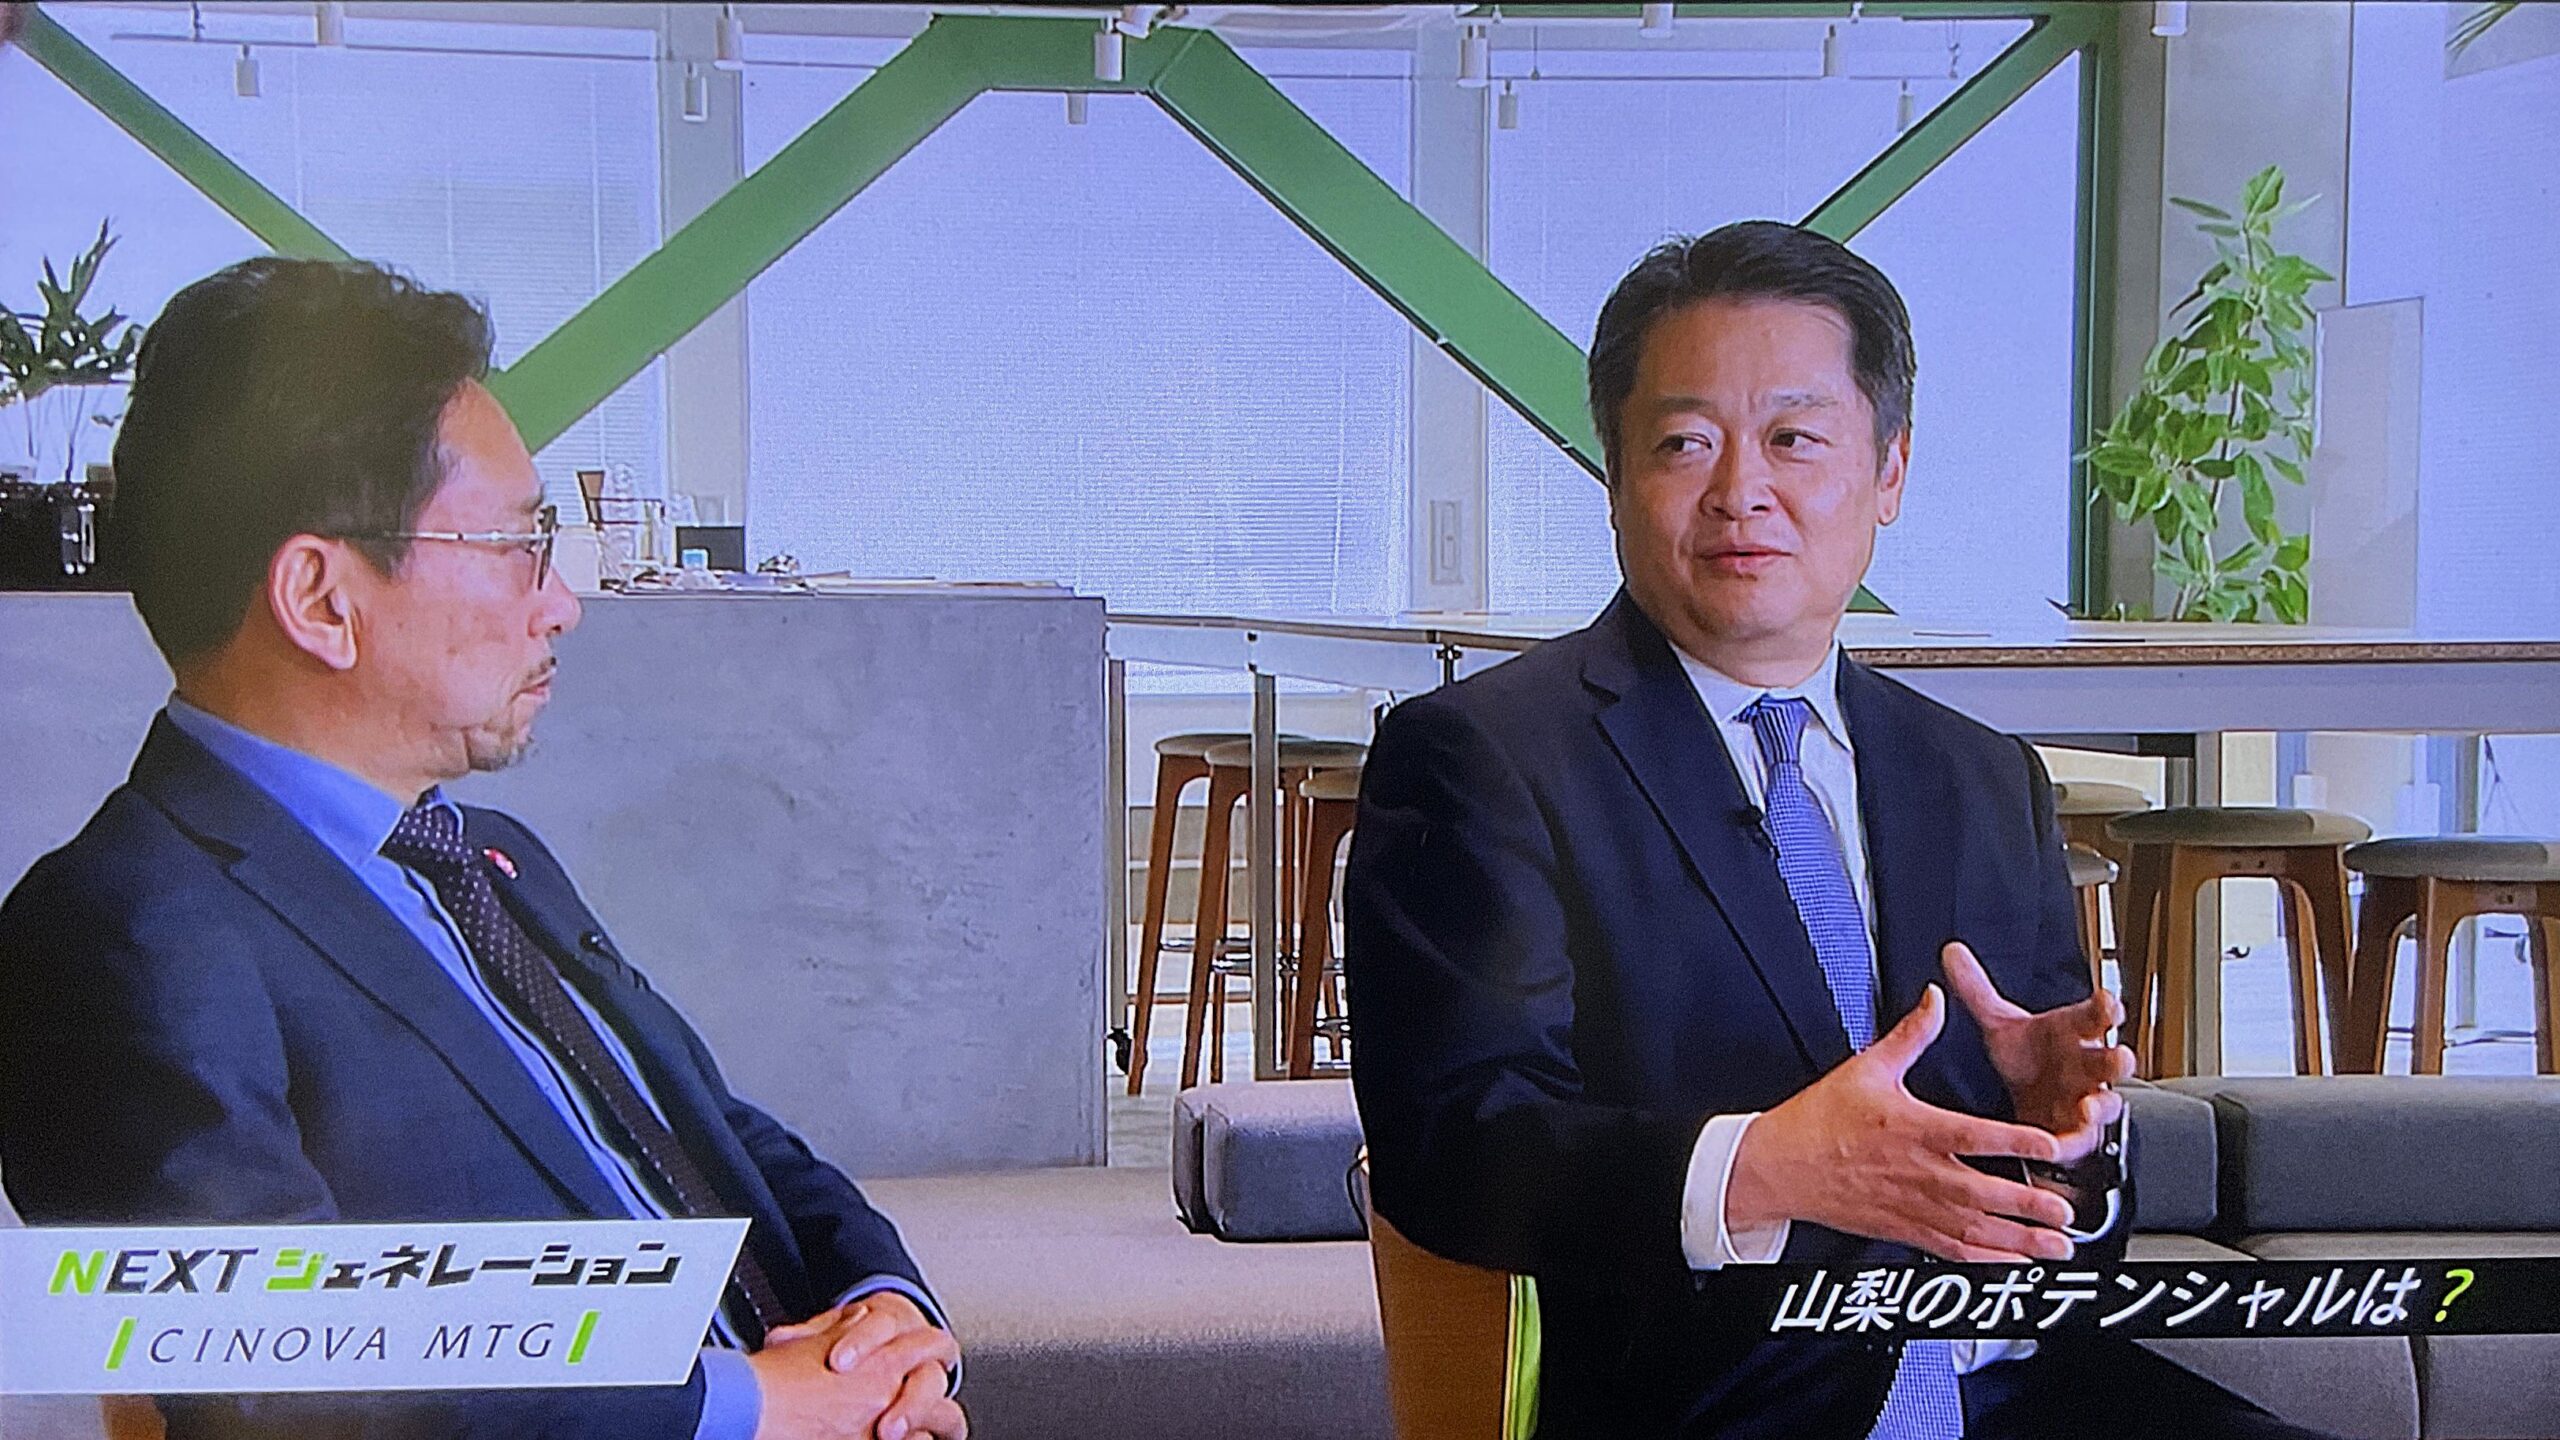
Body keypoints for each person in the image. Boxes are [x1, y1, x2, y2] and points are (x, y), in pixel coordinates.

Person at [1344, 222, 2335, 1439]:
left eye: (1794, 439)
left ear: (1889, 472)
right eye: (1684, 443)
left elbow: (2068, 1231)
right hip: (1715, 1410)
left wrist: (2062, 1146)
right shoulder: (1481, 759)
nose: (1739, 491)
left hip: (2011, 1390)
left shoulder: (1982, 778)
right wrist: (1764, 1165)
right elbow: (1454, 1150)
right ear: (1615, 478)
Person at [0, 258, 964, 1440]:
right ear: (322, 599)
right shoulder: (116, 935)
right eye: (519, 543)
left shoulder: (482, 857)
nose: (561, 602)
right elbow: (279, 1374)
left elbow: (706, 1131)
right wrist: (749, 1407)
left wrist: (881, 1309)